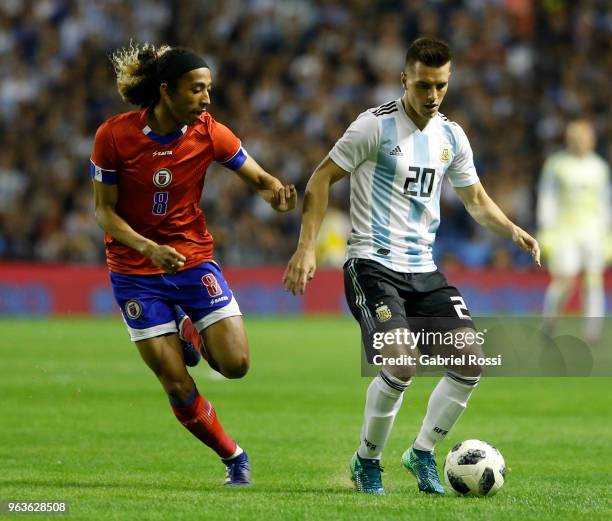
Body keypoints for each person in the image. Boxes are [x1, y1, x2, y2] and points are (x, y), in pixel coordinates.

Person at [283, 37, 540, 495]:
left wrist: (512, 230)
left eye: (441, 84)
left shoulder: (451, 135)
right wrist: (306, 248)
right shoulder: (372, 128)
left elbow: (476, 201)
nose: (433, 95)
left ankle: (421, 452)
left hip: (424, 269)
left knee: (470, 360)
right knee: (401, 363)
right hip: (372, 266)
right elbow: (321, 177)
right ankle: (367, 462)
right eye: (423, 84)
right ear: (405, 79)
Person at [90, 43, 296, 486]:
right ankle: (234, 457)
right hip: (134, 271)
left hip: (191, 260)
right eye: (197, 89)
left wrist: (276, 193)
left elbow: (258, 177)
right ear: (165, 91)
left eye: (209, 89)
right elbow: (104, 213)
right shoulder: (113, 136)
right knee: (177, 383)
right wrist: (148, 248)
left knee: (236, 364)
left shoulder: (209, 132)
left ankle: (188, 327)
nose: (206, 98)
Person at [537, 119, 610, 343]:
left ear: (591, 139)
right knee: (565, 281)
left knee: (594, 280)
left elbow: (605, 202)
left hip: (593, 232)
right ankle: (549, 322)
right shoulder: (556, 165)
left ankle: (592, 332)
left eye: (584, 137)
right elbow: (547, 199)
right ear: (568, 139)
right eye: (575, 137)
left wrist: (608, 235)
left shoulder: (600, 167)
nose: (579, 141)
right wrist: (546, 231)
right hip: (564, 232)